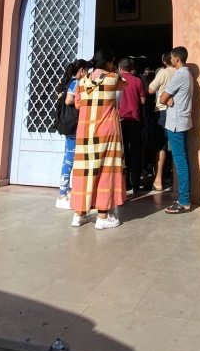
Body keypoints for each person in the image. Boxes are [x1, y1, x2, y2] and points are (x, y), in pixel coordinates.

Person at [71, 48, 128, 230]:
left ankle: (79, 214)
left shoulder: (82, 81)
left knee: (84, 171)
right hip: (106, 132)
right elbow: (124, 84)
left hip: (85, 132)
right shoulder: (113, 78)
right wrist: (112, 71)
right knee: (105, 171)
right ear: (109, 63)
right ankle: (103, 216)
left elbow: (78, 104)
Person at [158, 47, 193, 213]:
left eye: (171, 57)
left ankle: (184, 199)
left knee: (180, 161)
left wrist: (167, 97)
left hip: (176, 123)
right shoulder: (187, 75)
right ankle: (185, 197)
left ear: (176, 58)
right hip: (183, 121)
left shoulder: (179, 75)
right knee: (183, 160)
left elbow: (162, 97)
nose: (170, 60)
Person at [55, 59, 88, 210]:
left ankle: (66, 190)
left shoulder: (67, 82)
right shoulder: (76, 83)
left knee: (68, 158)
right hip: (74, 127)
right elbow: (69, 100)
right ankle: (62, 194)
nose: (87, 74)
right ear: (81, 70)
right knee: (70, 159)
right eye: (86, 70)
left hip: (70, 127)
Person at [117, 57, 146, 193]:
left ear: (120, 68)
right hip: (135, 119)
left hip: (120, 120)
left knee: (122, 152)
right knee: (135, 152)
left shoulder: (116, 80)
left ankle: (124, 183)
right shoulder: (138, 81)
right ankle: (135, 184)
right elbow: (142, 100)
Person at [148, 53, 175, 191]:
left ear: (164, 62)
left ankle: (158, 180)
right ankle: (171, 178)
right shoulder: (179, 72)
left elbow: (151, 89)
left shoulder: (163, 72)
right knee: (175, 145)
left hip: (162, 110)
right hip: (176, 110)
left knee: (161, 145)